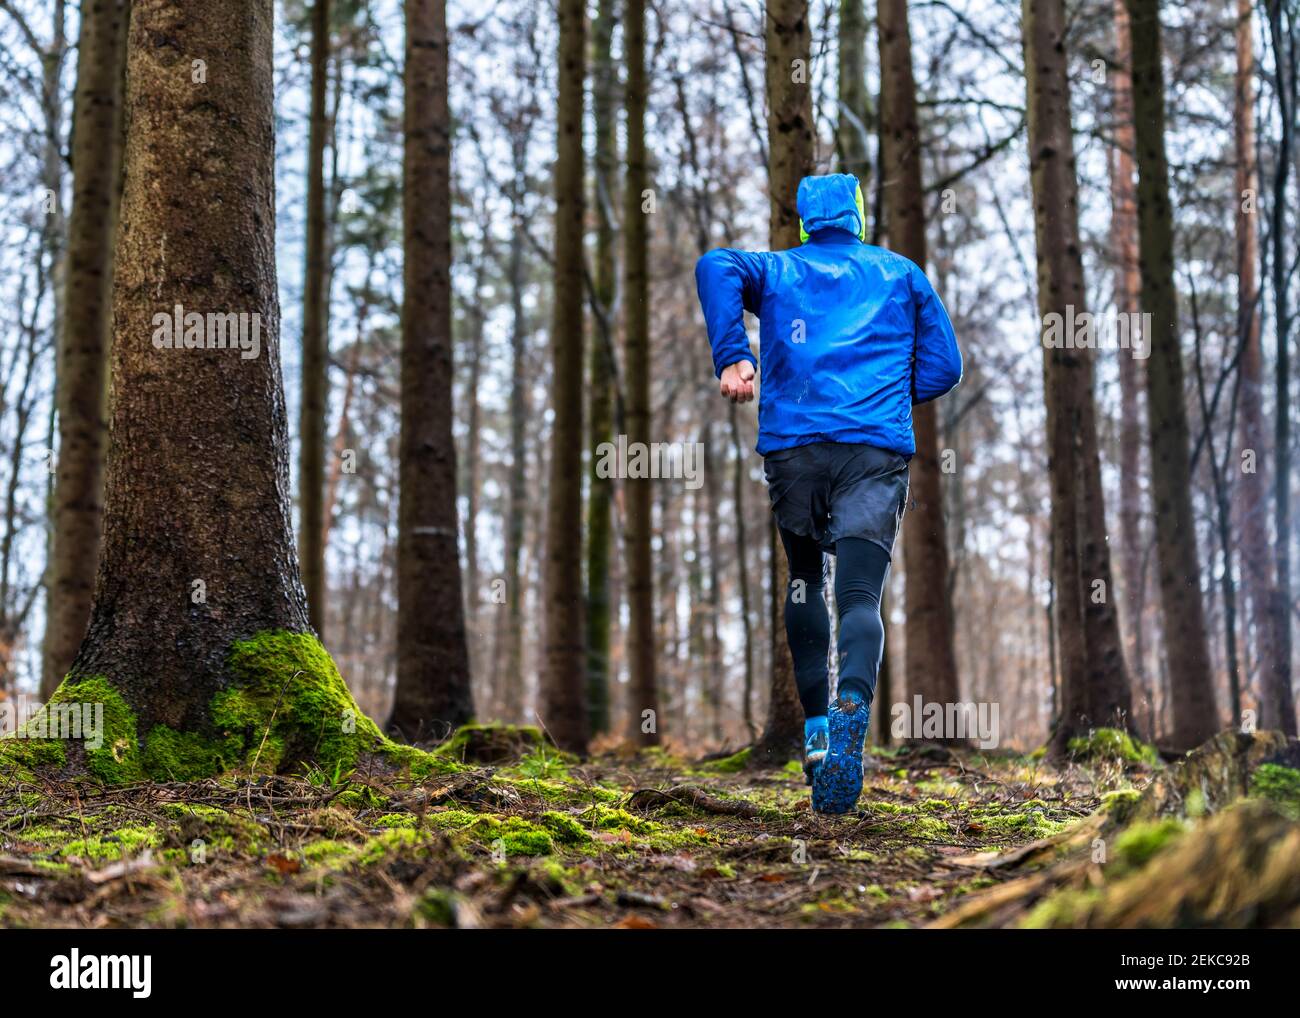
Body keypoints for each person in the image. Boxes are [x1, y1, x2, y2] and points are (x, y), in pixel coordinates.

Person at [694, 173, 962, 814]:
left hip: (796, 450)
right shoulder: (901, 273)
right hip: (873, 448)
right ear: (859, 214)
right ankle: (851, 708)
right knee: (860, 594)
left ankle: (816, 736)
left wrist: (734, 354)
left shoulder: (778, 270)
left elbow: (715, 264)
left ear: (807, 219)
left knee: (805, 579)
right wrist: (886, 393)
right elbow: (946, 366)